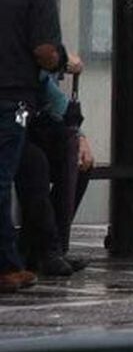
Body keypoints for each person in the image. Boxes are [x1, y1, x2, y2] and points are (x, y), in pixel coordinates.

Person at [0, 0, 80, 293]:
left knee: (24, 168)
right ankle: (7, 265)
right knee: (3, 177)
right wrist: (64, 61)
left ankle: (32, 252)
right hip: (13, 100)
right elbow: (45, 52)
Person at [16, 71, 93, 276]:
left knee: (78, 162)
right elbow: (52, 93)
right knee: (36, 165)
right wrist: (62, 61)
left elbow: (56, 103)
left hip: (29, 123)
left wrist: (78, 136)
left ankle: (49, 247)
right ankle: (47, 248)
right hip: (13, 124)